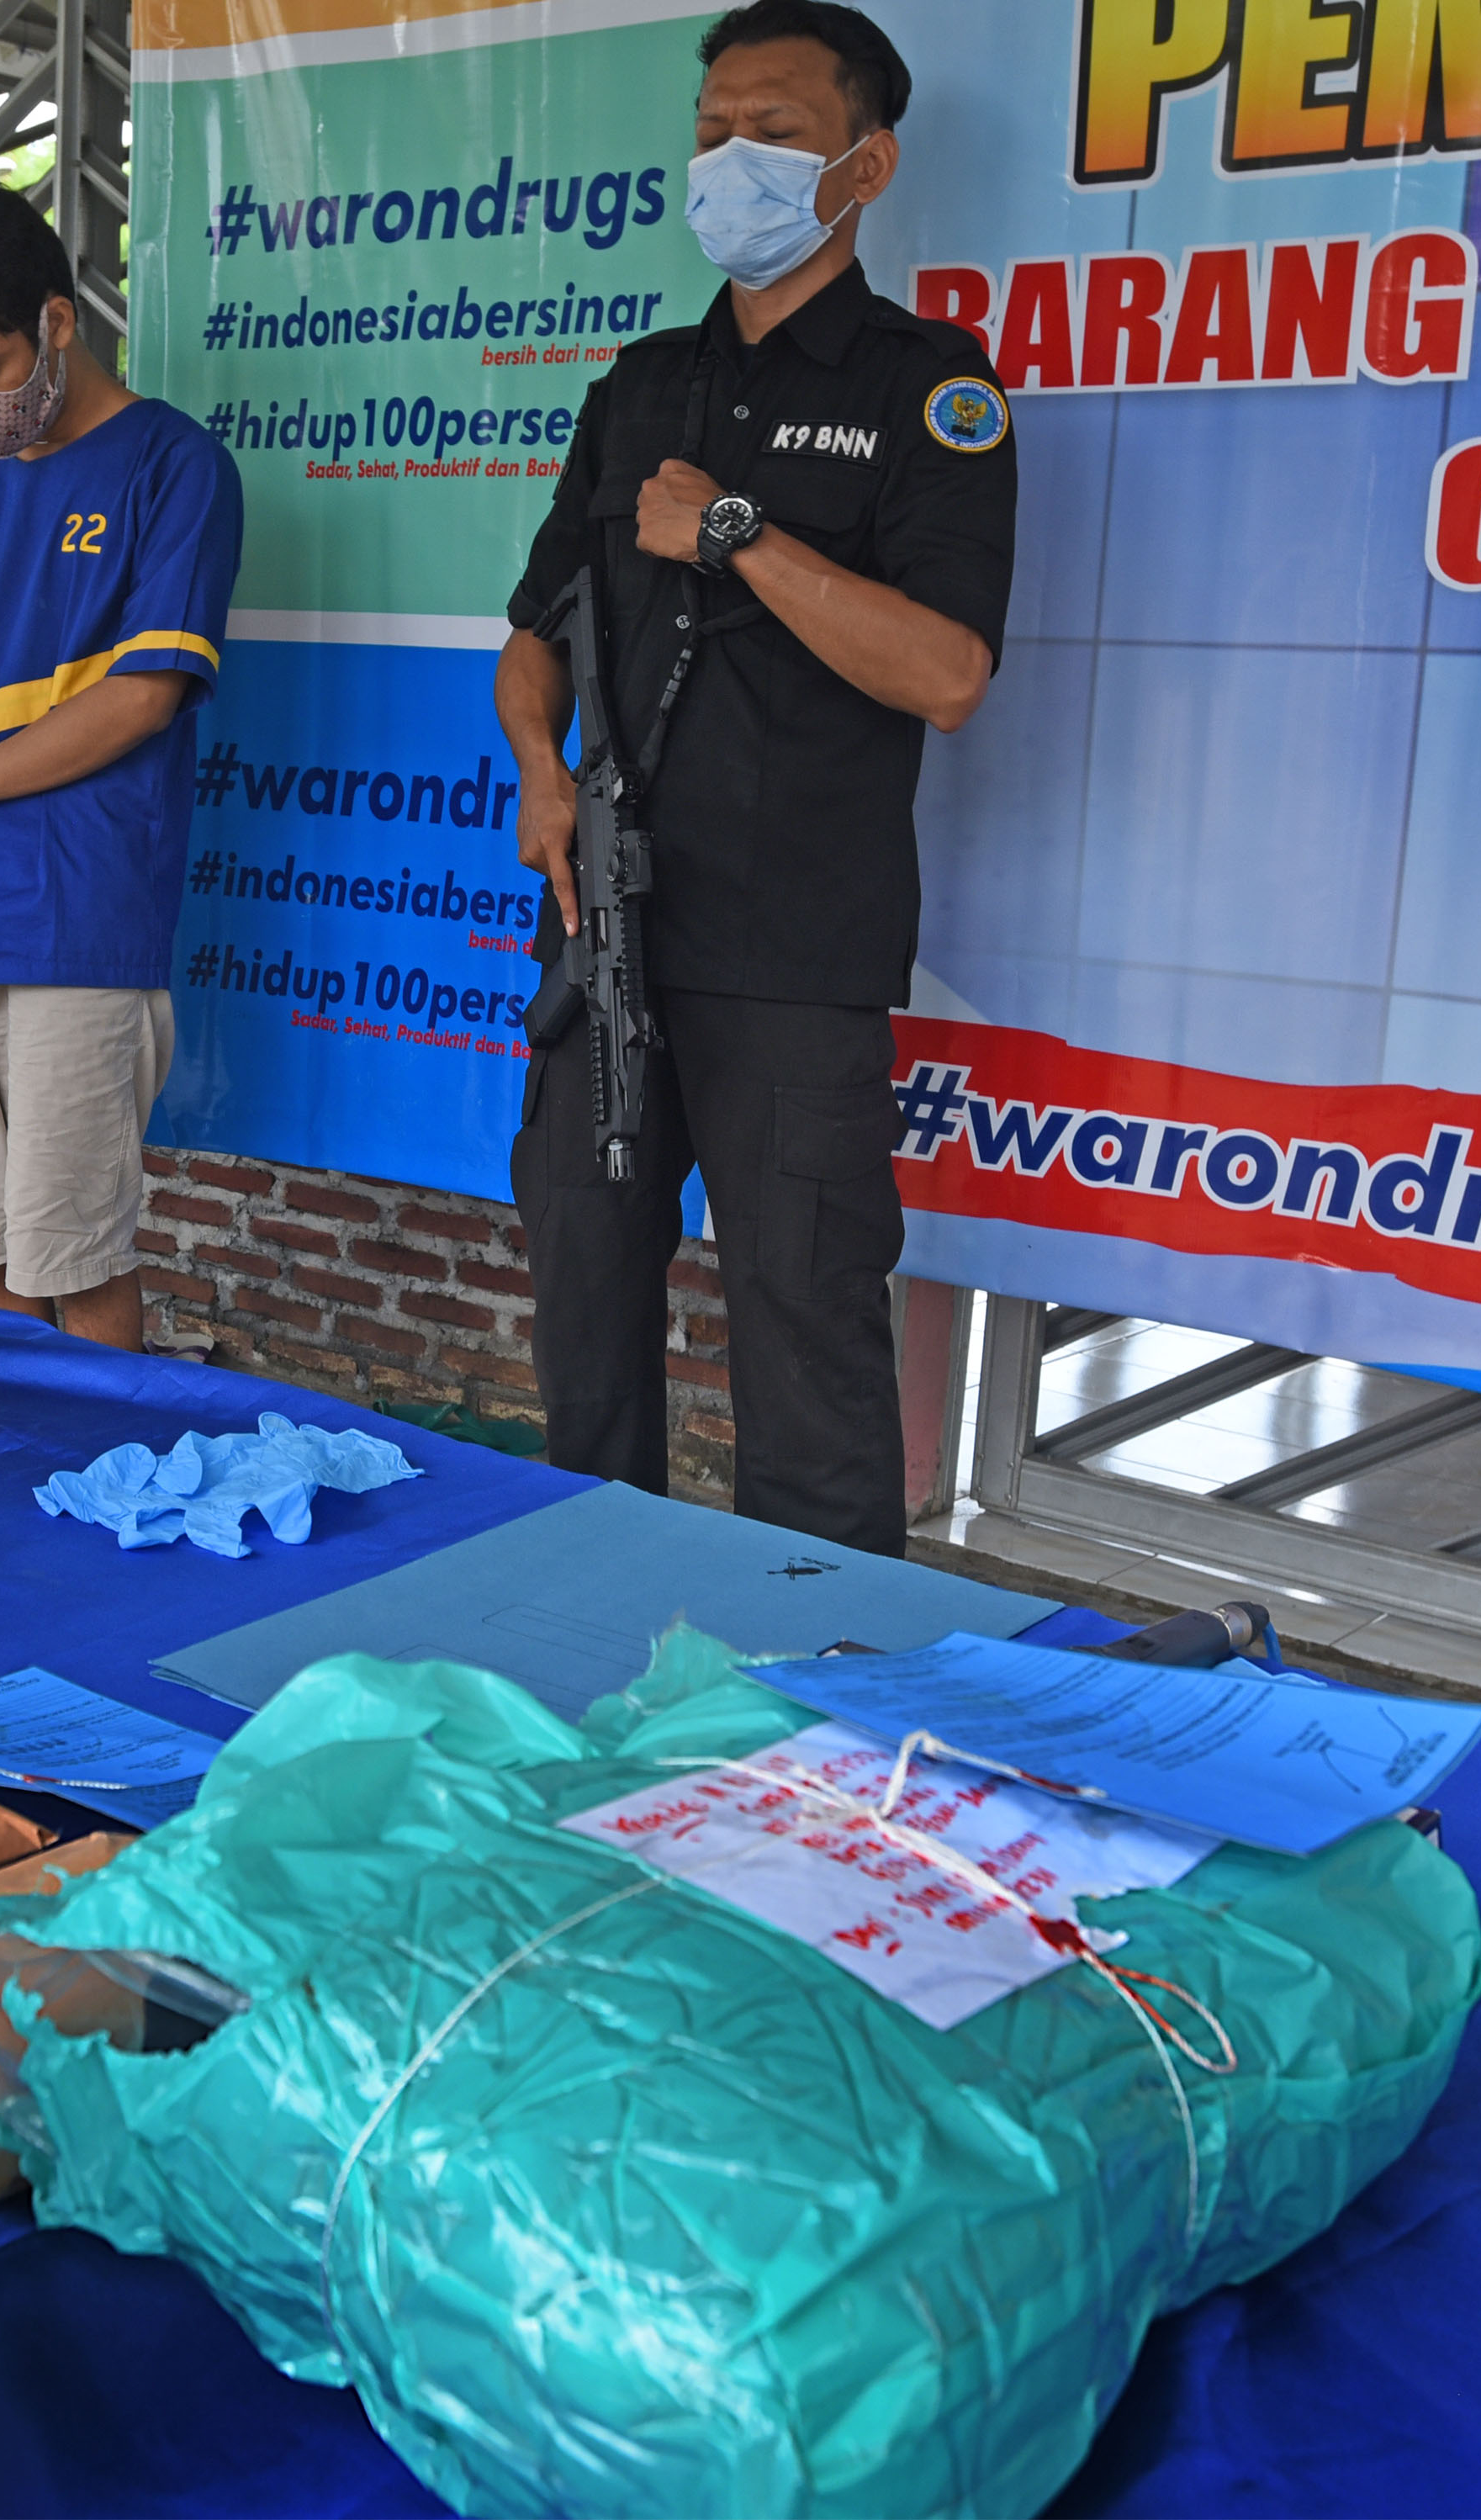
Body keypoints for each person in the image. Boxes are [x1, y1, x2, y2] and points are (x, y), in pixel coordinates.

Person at [495, 0, 1014, 1553]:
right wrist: (539, 767)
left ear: (865, 165)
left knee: (804, 1329)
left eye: (776, 130)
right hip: (606, 940)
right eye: (714, 129)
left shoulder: (932, 391)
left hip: (794, 952)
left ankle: (842, 1674)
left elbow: (947, 676)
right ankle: (584, 1604)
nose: (732, 158)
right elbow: (535, 638)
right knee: (584, 1299)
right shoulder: (640, 386)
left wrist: (738, 535)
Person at [0, 183, 242, 1351]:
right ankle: (9, 1498)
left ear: (59, 323)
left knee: (75, 1253)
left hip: (83, 910)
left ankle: (99, 1484)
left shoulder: (176, 468)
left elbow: (142, 697)